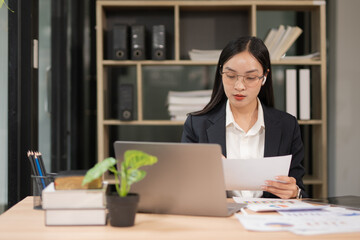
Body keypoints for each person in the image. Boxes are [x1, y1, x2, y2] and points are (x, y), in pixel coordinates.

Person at [181, 36, 307, 199]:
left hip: (269, 221)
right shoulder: (197, 125)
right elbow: (185, 189)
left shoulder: (287, 126)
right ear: (220, 72)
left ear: (264, 77)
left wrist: (294, 192)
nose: (239, 86)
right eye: (231, 75)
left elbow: (300, 189)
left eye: (250, 77)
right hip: (221, 220)